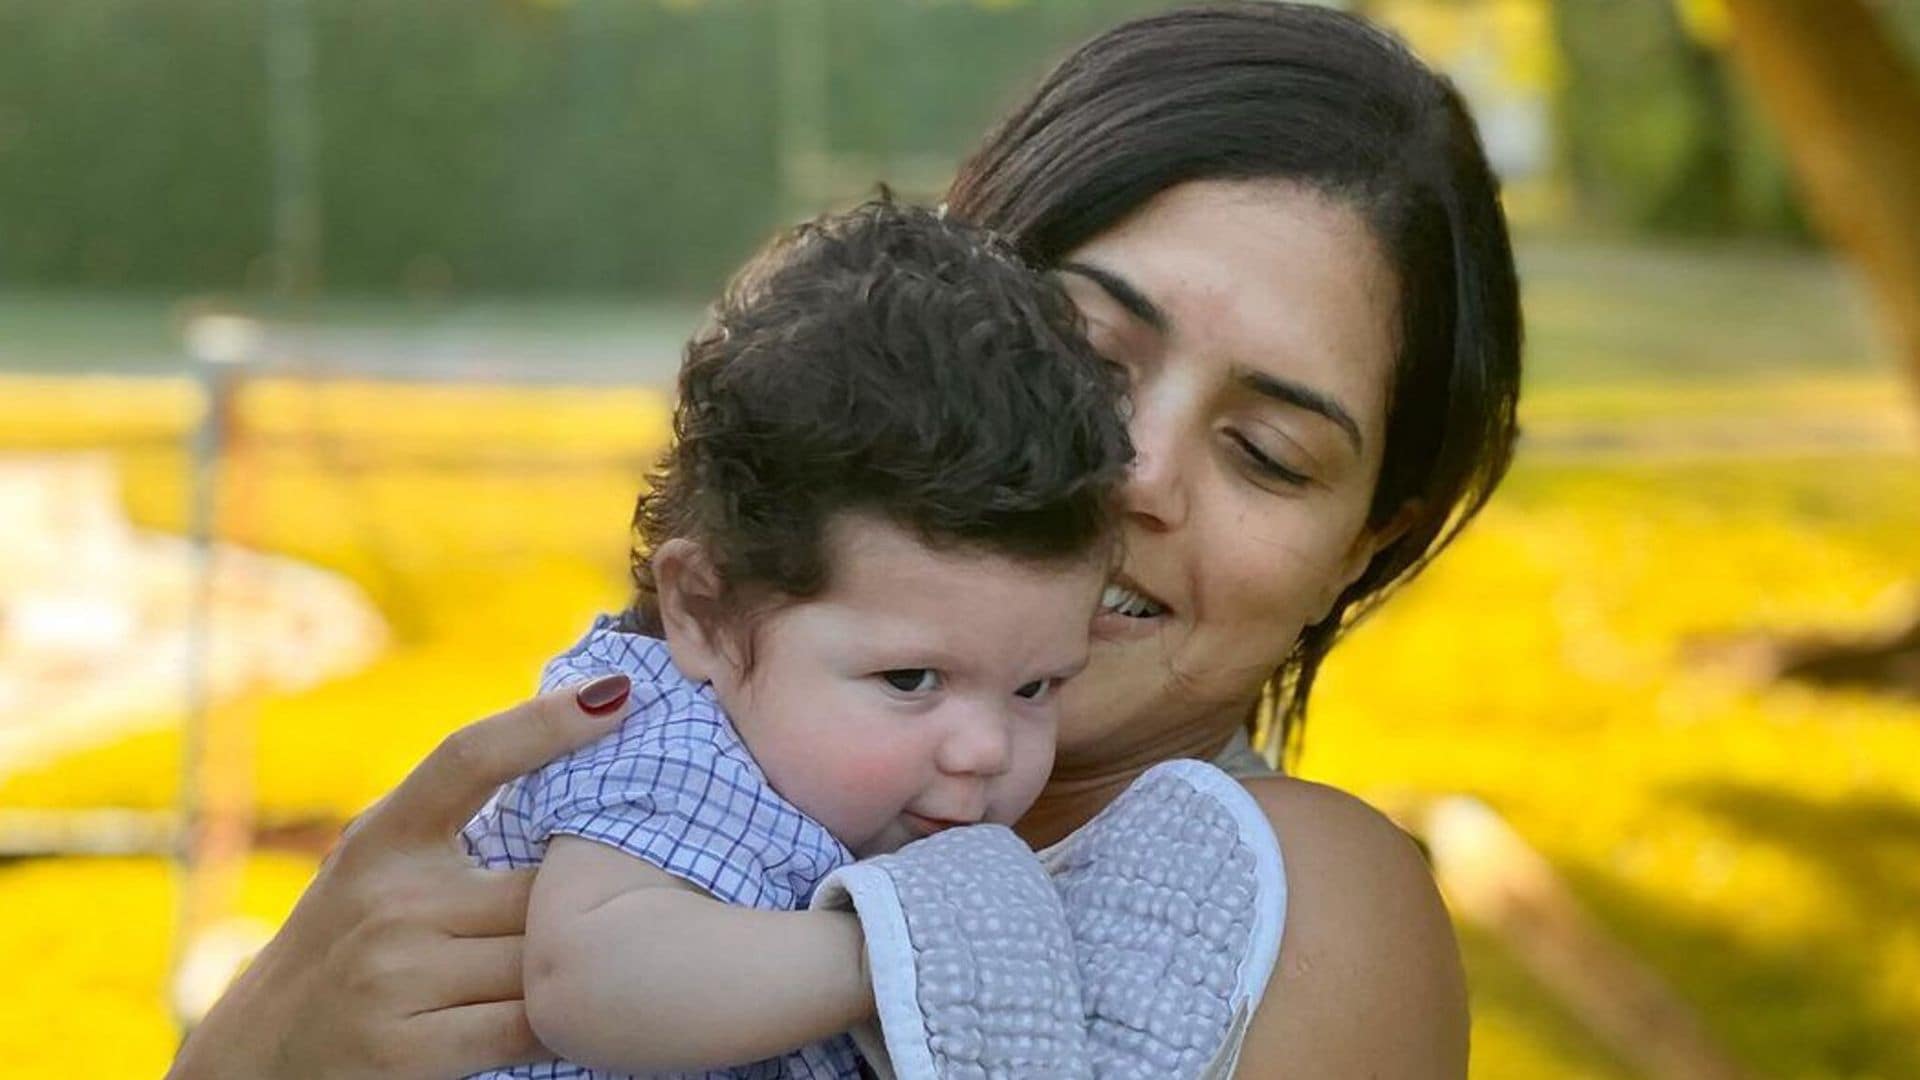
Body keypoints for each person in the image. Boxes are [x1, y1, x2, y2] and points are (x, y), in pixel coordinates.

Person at [168, 3, 1520, 1077]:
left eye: (1268, 454)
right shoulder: (682, 771)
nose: (1137, 472)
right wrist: (253, 1048)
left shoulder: (1289, 912)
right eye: (1088, 353)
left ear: (1365, 544)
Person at [460, 199, 1128, 1078]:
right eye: (910, 678)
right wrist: (903, 954)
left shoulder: (814, 767)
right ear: (704, 610)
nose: (983, 749)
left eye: (1035, 687)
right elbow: (590, 983)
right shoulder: (665, 745)